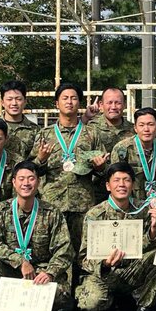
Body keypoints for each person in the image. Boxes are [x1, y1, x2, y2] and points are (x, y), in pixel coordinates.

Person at [0, 161, 75, 311]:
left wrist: (50, 272)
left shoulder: (51, 213)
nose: (26, 183)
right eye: (21, 179)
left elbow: (64, 249)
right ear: (13, 182)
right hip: (12, 269)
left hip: (40, 272)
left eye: (31, 179)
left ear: (38, 182)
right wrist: (19, 261)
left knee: (62, 293)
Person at [77, 162, 156, 311]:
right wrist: (104, 263)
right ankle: (112, 304)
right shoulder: (95, 214)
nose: (121, 184)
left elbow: (152, 246)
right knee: (92, 304)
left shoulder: (144, 210)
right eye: (116, 180)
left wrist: (154, 228)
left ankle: (143, 310)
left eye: (126, 180)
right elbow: (83, 258)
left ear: (133, 185)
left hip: (130, 270)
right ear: (107, 186)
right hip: (103, 274)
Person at [32, 83, 109, 251]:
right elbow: (31, 171)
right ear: (56, 104)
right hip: (52, 204)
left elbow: (104, 171)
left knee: (83, 250)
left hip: (83, 204)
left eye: (74, 98)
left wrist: (100, 167)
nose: (69, 102)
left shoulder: (91, 134)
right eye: (65, 98)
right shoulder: (45, 134)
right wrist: (41, 159)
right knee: (54, 250)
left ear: (79, 104)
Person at [109, 107, 156, 210]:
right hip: (131, 208)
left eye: (151, 124)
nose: (146, 129)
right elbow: (115, 181)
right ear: (135, 128)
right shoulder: (122, 149)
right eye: (141, 125)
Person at [86, 86, 134, 155]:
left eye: (118, 103)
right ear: (101, 105)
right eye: (109, 103)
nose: (113, 107)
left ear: (124, 105)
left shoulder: (133, 130)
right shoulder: (90, 128)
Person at [0, 79, 40, 160]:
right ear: (2, 102)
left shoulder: (35, 130)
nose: (14, 103)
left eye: (18, 99)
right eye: (9, 99)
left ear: (25, 101)